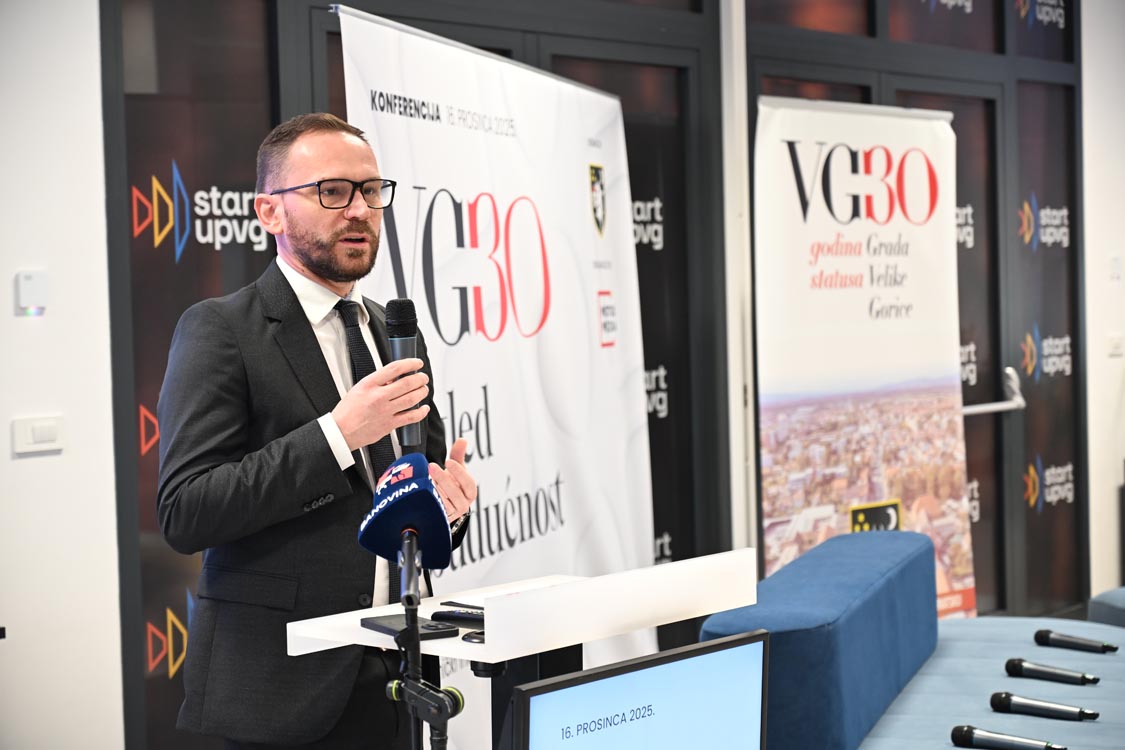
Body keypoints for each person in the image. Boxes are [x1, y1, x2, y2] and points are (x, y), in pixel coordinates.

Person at [157, 112, 477, 749]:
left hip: (396, 675)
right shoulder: (221, 329)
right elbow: (187, 510)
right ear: (269, 212)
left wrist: (448, 509)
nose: (358, 210)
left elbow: (411, 499)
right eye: (331, 191)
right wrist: (337, 434)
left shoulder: (393, 330)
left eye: (370, 190)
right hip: (277, 693)